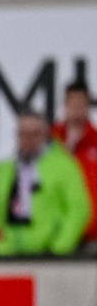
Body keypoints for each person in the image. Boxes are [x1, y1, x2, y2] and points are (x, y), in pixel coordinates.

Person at [0, 110, 91, 256]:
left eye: (34, 134)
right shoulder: (3, 169)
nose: (28, 139)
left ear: (45, 135)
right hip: (7, 253)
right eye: (23, 133)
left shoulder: (64, 166)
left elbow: (79, 209)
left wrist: (59, 248)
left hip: (46, 253)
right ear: (16, 135)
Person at [53, 81, 97, 244]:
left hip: (92, 232)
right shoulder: (51, 139)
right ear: (65, 106)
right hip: (57, 232)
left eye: (81, 104)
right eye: (73, 104)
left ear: (88, 106)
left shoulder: (95, 140)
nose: (77, 110)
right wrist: (67, 149)